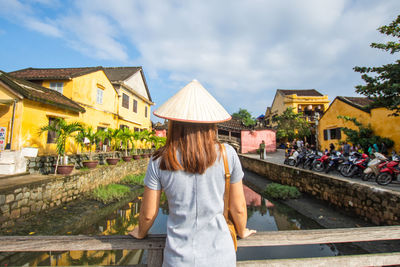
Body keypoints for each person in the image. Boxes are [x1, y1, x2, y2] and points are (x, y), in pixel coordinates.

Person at [128, 80, 256, 266]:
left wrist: (140, 232)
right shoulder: (227, 154)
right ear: (210, 123)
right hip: (221, 257)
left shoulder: (159, 160)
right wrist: (242, 230)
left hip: (178, 258)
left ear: (174, 123)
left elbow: (148, 214)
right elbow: (238, 207)